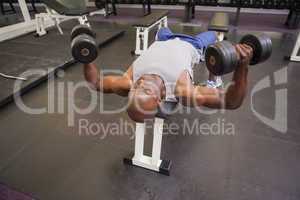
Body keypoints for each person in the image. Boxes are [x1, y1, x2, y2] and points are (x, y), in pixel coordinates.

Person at [83, 28, 253, 122]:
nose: (142, 82)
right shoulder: (182, 90)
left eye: (137, 87)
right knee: (215, 34)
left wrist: (84, 56)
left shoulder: (126, 82)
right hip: (192, 43)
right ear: (160, 99)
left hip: (162, 38)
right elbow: (232, 102)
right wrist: (242, 67)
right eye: (147, 90)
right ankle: (213, 79)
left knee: (162, 28)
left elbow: (95, 82)